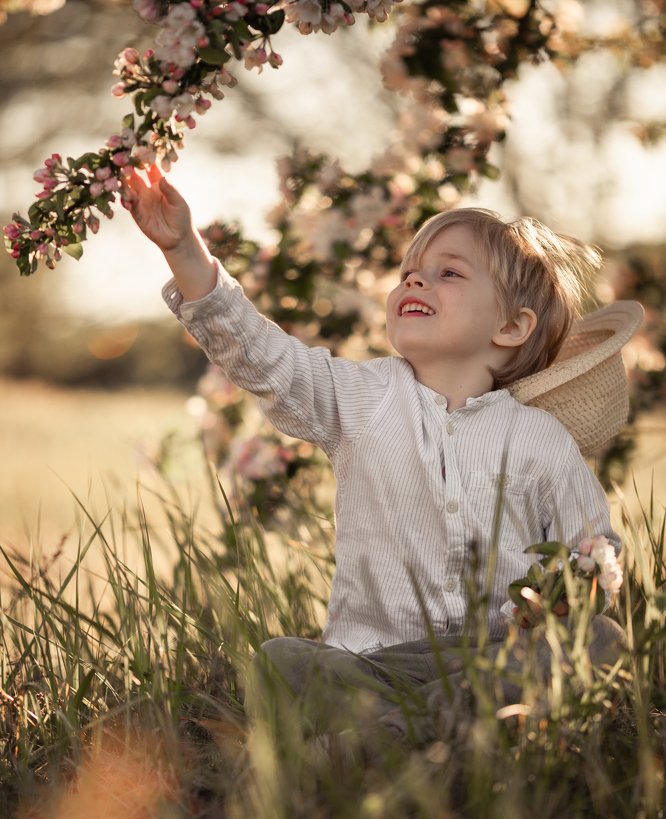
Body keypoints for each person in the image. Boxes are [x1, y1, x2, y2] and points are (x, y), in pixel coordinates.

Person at [125, 163, 638, 739]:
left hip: (496, 656)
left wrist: (561, 599)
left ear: (513, 327)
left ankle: (389, 740)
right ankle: (436, 733)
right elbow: (267, 358)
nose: (414, 282)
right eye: (408, 272)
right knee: (280, 662)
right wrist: (185, 253)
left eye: (448, 273)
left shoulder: (540, 439)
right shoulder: (361, 399)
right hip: (377, 664)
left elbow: (595, 552)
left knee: (601, 642)